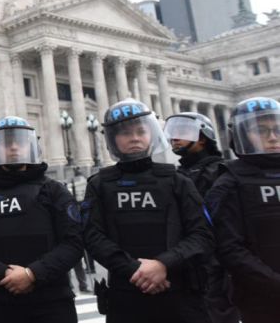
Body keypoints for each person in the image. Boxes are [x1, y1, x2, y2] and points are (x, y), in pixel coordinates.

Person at [83, 99, 213, 323]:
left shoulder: (177, 180)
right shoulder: (99, 184)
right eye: (125, 133)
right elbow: (92, 236)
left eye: (140, 130)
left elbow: (202, 234)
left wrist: (163, 264)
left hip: (179, 291)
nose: (134, 137)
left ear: (151, 133)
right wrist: (135, 270)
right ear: (112, 139)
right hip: (126, 294)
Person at [0, 116, 83, 323]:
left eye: (20, 142)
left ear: (32, 146)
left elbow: (74, 242)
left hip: (53, 301)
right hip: (1, 302)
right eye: (6, 143)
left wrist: (32, 274)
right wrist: (3, 274)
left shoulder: (53, 190)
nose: (14, 147)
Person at [205, 97, 280, 322]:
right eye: (261, 130)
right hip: (262, 298)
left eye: (277, 129)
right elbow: (229, 248)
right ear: (240, 135)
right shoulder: (228, 184)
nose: (273, 137)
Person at [164, 112, 239, 323]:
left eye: (182, 132)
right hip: (185, 267)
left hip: (215, 267)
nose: (174, 138)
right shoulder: (177, 175)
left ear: (202, 137)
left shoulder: (220, 171)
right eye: (172, 133)